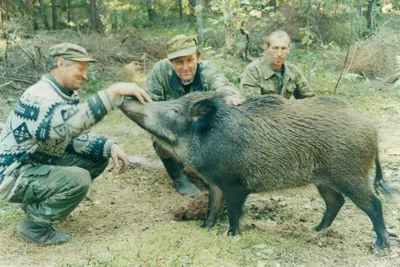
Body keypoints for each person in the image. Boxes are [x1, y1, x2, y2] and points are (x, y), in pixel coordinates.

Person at [0, 43, 152, 245]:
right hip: (13, 175)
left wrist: (109, 146)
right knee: (79, 178)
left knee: (97, 157)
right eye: (80, 69)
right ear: (61, 64)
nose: (85, 76)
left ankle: (38, 206)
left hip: (35, 164)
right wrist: (112, 93)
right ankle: (34, 228)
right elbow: (67, 127)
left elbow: (71, 138)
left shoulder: (66, 95)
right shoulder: (39, 97)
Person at [144, 34, 242, 197]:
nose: (185, 67)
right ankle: (178, 176)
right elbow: (148, 105)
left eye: (190, 60)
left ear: (198, 57)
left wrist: (229, 96)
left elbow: (222, 85)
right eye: (178, 62)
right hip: (173, 125)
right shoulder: (159, 73)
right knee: (159, 134)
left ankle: (208, 171)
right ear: (171, 62)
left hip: (201, 126)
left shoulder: (207, 70)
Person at [240, 30, 314, 99]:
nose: (279, 54)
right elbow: (251, 106)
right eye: (275, 48)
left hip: (285, 111)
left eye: (283, 48)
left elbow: (310, 100)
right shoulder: (253, 71)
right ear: (267, 49)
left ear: (289, 50)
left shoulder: (293, 71)